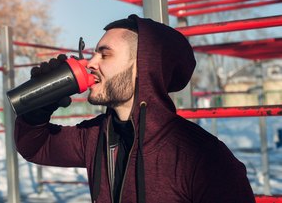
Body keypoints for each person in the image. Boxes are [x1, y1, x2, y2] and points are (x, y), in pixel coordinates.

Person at [14, 14, 256, 203]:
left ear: (143, 66)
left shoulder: (204, 157)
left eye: (104, 55)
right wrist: (39, 107)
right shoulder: (96, 136)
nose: (90, 63)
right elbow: (37, 146)